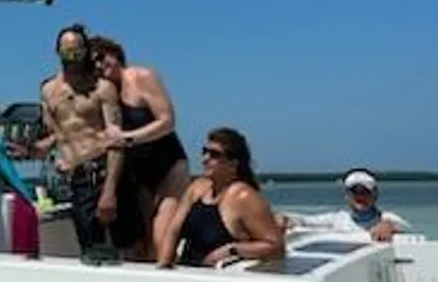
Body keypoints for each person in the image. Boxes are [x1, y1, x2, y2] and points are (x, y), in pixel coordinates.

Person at [36, 23, 138, 263]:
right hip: (77, 179)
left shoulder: (102, 89)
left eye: (77, 51)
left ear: (86, 52)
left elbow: (115, 139)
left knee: (122, 251)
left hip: (102, 171)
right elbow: (57, 134)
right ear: (57, 52)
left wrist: (109, 191)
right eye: (67, 51)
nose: (72, 57)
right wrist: (42, 149)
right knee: (89, 250)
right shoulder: (48, 91)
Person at [91, 35, 189, 262]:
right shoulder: (105, 93)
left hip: (169, 166)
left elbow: (167, 121)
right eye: (92, 63)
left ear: (115, 54)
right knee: (142, 246)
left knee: (159, 242)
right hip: (139, 174)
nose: (99, 65)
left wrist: (127, 138)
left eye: (101, 57)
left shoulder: (141, 76)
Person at [155, 127, 285, 269]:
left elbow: (276, 247)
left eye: (214, 155)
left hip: (221, 277)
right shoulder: (196, 188)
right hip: (189, 273)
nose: (205, 159)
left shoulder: (244, 197)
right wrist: (164, 266)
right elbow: (173, 231)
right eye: (204, 152)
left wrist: (232, 250)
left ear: (233, 164)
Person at [339, 168, 408, 241]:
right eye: (354, 191)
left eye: (365, 191)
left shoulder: (390, 219)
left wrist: (390, 227)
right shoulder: (337, 220)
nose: (360, 196)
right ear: (346, 196)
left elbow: (407, 232)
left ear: (375, 194)